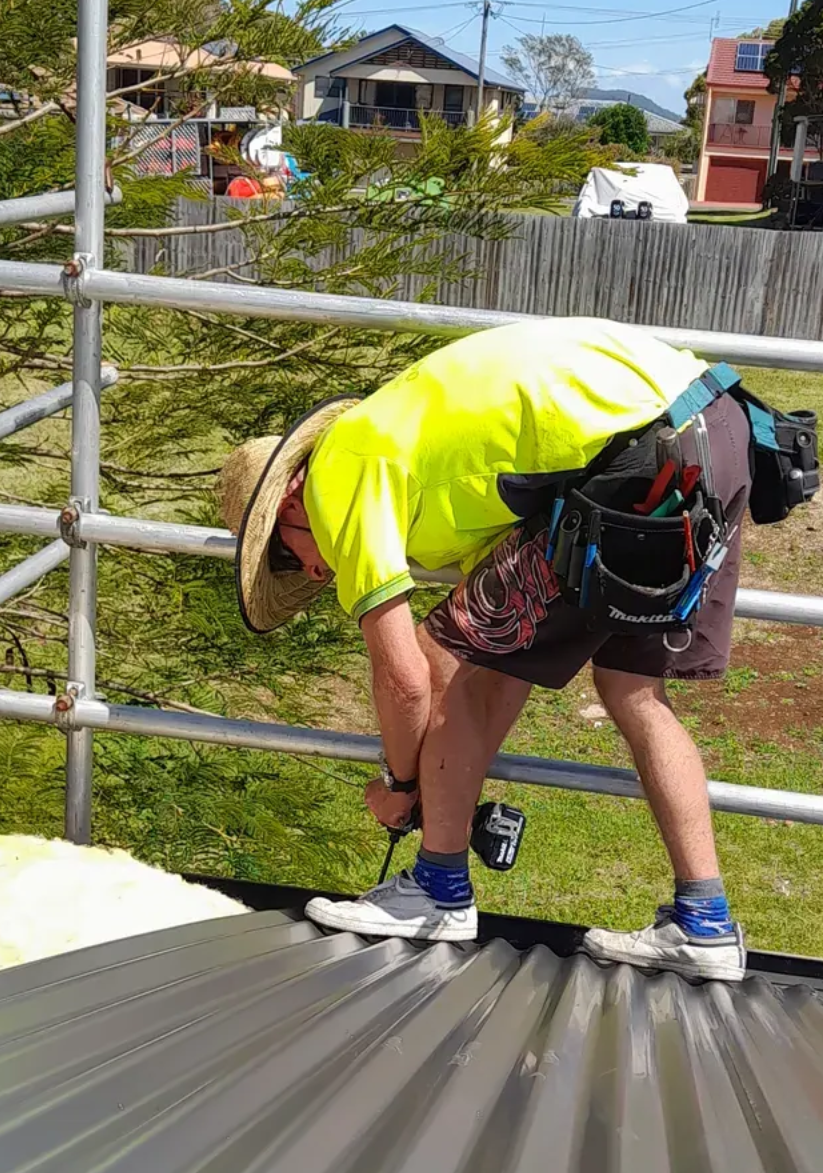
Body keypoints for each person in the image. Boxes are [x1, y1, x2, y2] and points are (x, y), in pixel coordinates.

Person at [215, 317, 755, 981]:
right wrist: (435, 787)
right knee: (630, 690)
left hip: (641, 453)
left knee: (455, 669)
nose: (311, 574)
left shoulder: (339, 472)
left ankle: (439, 892)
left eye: (283, 555)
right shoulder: (419, 449)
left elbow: (409, 678)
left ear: (290, 497)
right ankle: (705, 923)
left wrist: (401, 785)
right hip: (716, 427)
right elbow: (494, 650)